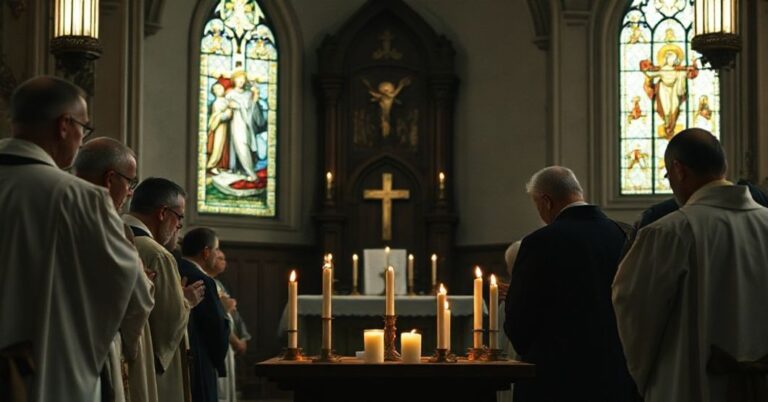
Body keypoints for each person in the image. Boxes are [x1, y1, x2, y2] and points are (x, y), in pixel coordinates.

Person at [0, 76, 140, 401]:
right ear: (65, 124)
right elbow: (129, 291)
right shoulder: (80, 198)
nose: (81, 139)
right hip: (43, 376)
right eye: (83, 128)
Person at [613, 128, 768, 402]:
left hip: (689, 386)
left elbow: (633, 310)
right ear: (725, 167)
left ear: (678, 170)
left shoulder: (668, 233)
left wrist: (647, 379)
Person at [504, 166, 637, 402]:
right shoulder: (623, 235)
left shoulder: (539, 242)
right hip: (614, 374)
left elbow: (519, 320)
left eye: (537, 206)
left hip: (555, 379)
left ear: (546, 201)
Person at [73, 138, 158, 402]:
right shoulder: (110, 224)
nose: (131, 192)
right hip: (95, 349)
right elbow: (138, 298)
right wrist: (130, 349)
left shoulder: (50, 202)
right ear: (110, 179)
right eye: (130, 183)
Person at [124, 178, 204, 402]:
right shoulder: (158, 254)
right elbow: (168, 322)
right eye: (179, 217)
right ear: (162, 213)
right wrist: (186, 301)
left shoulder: (112, 236)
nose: (179, 226)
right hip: (150, 368)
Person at [178, 228, 231, 402]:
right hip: (200, 361)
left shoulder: (175, 267)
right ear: (206, 252)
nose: (218, 255)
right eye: (216, 250)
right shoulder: (203, 280)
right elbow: (216, 328)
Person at [204, 250, 250, 402]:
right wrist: (235, 341)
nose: (224, 262)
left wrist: (242, 337)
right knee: (220, 389)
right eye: (220, 258)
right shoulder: (207, 282)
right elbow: (219, 315)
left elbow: (234, 315)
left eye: (224, 258)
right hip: (219, 340)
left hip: (227, 340)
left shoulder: (219, 283)